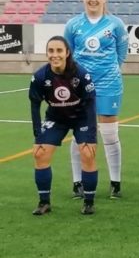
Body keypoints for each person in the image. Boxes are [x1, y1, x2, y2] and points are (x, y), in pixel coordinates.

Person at [64, 0, 128, 199]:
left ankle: (115, 183)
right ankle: (77, 182)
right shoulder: (73, 25)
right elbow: (68, 56)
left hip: (109, 84)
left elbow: (121, 54)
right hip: (80, 86)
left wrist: (109, 72)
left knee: (110, 134)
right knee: (80, 134)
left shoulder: (116, 24)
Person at [29, 36, 99, 215]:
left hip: (81, 117)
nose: (55, 55)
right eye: (51, 51)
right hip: (56, 118)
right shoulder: (40, 77)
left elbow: (91, 105)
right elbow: (35, 105)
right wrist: (38, 134)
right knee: (40, 154)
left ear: (67, 53)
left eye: (59, 51)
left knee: (87, 154)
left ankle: (89, 202)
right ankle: (44, 202)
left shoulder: (81, 75)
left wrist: (91, 137)